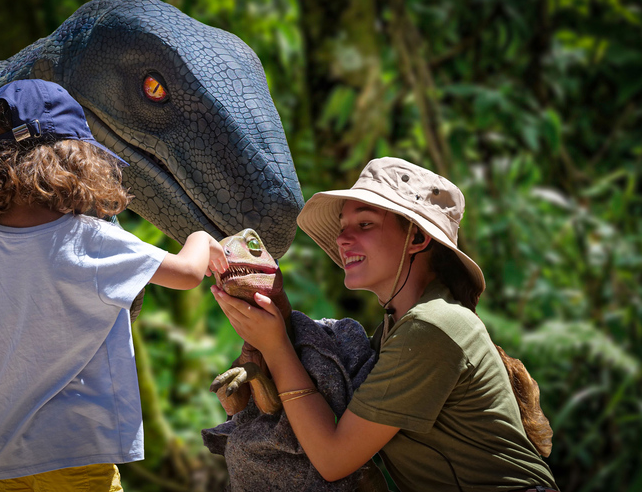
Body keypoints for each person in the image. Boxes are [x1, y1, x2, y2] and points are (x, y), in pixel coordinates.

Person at [212, 157, 559, 491]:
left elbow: (332, 459)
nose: (342, 239)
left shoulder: (432, 326)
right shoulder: (392, 332)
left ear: (418, 239)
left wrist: (276, 346)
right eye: (343, 227)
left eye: (364, 224)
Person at [0, 79, 227, 491]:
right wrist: (201, 239)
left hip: (3, 459)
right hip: (76, 451)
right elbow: (186, 273)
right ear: (73, 158)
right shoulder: (84, 238)